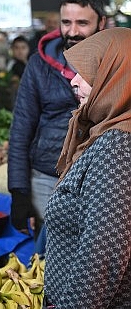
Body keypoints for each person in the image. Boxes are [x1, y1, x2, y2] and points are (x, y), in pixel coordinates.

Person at [7, 0, 107, 246]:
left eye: (82, 23)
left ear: (102, 23)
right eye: (66, 22)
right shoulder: (39, 65)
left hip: (100, 181)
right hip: (47, 177)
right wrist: (18, 191)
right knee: (50, 255)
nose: (72, 31)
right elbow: (21, 130)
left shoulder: (116, 63)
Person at [45, 27, 131, 307]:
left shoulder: (117, 146)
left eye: (89, 74)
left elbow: (102, 255)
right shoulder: (106, 134)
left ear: (115, 79)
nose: (74, 81)